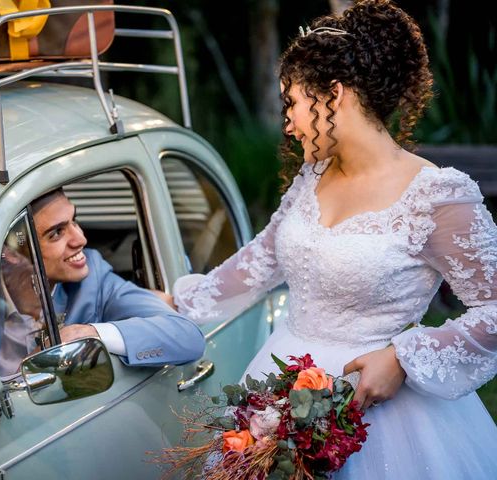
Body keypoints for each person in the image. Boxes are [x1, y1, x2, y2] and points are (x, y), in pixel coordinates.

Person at [170, 1, 497, 478]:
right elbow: (260, 261)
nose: (288, 123)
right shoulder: (312, 176)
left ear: (335, 94)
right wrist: (178, 302)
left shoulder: (439, 196)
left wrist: (404, 360)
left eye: (293, 103)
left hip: (380, 406)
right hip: (281, 386)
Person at [0, 187, 206, 378]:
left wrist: (85, 333)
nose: (81, 239)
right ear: (10, 253)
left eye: (74, 221)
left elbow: (187, 336)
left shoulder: (92, 280)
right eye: (57, 233)